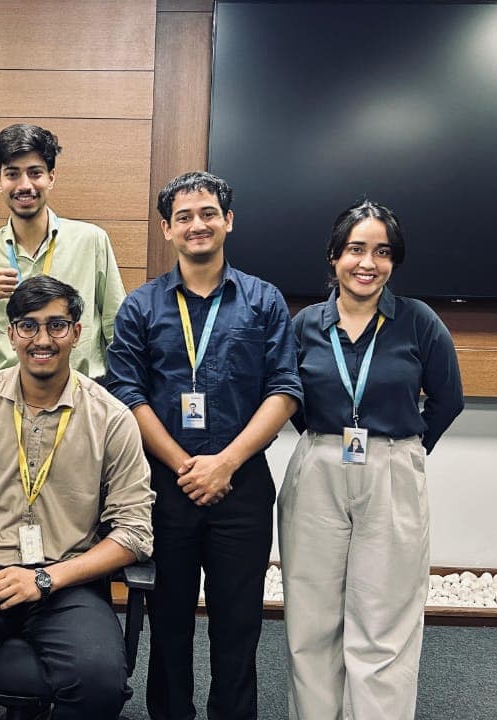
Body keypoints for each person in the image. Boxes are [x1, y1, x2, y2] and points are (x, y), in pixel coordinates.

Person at [0, 275, 155, 719]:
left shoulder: (111, 417)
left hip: (66, 582)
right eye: (28, 325)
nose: (42, 339)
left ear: (78, 333)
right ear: (10, 333)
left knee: (101, 683)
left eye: (57, 325)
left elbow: (134, 532)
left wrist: (45, 579)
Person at [106, 171, 303, 720]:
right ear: (167, 229)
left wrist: (225, 463)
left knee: (238, 624)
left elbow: (284, 390)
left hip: (241, 486)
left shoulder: (263, 301)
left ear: (228, 221)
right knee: (166, 620)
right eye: (185, 216)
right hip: (163, 488)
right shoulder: (141, 307)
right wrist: (185, 465)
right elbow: (127, 393)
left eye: (208, 213)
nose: (198, 224)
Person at [279, 199, 464, 720]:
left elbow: (448, 399)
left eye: (382, 252)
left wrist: (402, 454)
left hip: (392, 468)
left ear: (394, 261)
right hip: (317, 465)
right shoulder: (304, 325)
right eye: (356, 249)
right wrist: (326, 445)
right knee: (312, 618)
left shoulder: (418, 321)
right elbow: (287, 398)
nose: (368, 263)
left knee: (383, 622)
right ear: (334, 256)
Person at [0, 123, 126, 379]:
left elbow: (119, 333)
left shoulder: (91, 241)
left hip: (81, 400)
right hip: (6, 402)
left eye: (35, 173)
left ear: (51, 177)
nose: (25, 185)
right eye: (12, 174)